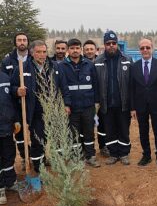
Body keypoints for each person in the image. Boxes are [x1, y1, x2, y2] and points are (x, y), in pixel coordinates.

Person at [11, 40, 71, 173]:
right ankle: (40, 168)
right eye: (38, 52)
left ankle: (58, 163)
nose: (42, 55)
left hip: (54, 110)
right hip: (36, 112)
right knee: (38, 141)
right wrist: (17, 91)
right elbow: (12, 87)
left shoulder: (55, 67)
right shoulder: (23, 68)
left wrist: (67, 104)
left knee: (57, 139)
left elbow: (64, 88)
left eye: (44, 52)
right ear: (32, 53)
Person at [59, 38, 100, 167]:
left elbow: (96, 84)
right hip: (72, 107)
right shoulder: (62, 66)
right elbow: (62, 87)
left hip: (88, 106)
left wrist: (97, 102)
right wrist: (66, 104)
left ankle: (90, 156)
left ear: (80, 49)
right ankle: (76, 157)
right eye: (72, 48)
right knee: (73, 133)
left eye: (77, 48)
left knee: (89, 132)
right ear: (68, 50)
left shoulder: (89, 64)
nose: (75, 50)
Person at [95, 30, 131, 165]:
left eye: (114, 43)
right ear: (104, 45)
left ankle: (124, 153)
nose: (111, 45)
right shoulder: (98, 61)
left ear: (117, 44)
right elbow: (96, 83)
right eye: (108, 43)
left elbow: (131, 84)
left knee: (123, 130)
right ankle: (113, 154)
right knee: (110, 131)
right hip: (106, 104)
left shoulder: (127, 60)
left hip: (123, 103)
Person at [131, 38, 157, 168]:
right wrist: (133, 108)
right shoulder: (134, 67)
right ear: (139, 50)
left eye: (147, 47)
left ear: (152, 48)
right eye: (142, 48)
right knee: (143, 131)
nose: (145, 50)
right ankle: (146, 155)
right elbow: (132, 88)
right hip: (140, 105)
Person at [1, 32, 30, 170]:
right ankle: (25, 157)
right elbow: (5, 83)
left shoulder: (33, 58)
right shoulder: (7, 61)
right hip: (14, 103)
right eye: (19, 40)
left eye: (24, 40)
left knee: (37, 130)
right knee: (20, 133)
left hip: (32, 102)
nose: (22, 42)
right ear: (15, 43)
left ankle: (38, 157)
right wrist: (16, 91)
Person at [83, 39, 109, 157]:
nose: (89, 51)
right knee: (86, 127)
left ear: (96, 50)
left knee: (102, 125)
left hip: (102, 100)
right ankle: (85, 149)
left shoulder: (102, 62)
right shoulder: (81, 64)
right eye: (87, 49)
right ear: (83, 51)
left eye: (91, 49)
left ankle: (103, 147)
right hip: (86, 102)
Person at [0, 70, 20, 205]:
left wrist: (16, 119)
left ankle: (10, 182)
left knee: (9, 154)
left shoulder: (5, 77)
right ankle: (0, 188)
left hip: (6, 126)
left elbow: (13, 101)